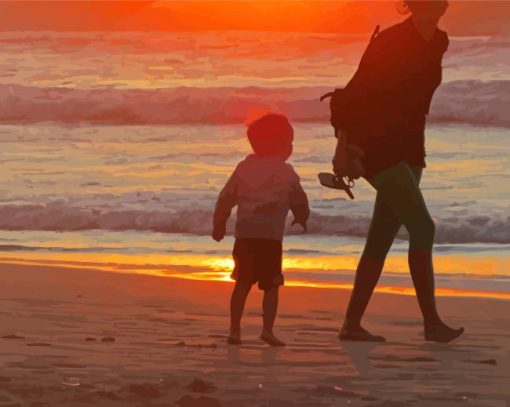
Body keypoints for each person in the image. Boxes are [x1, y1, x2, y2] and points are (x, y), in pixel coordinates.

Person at [335, 0, 464, 343]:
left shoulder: (440, 41)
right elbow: (351, 95)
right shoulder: (390, 41)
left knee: (382, 236)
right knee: (423, 227)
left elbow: (416, 99)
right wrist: (343, 148)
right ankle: (432, 323)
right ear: (410, 5)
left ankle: (351, 324)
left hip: (410, 144)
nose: (430, 7)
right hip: (377, 145)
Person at [212, 113, 310, 347]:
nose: (291, 147)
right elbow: (299, 199)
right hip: (270, 239)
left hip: (245, 235)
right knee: (272, 284)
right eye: (289, 143)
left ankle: (234, 331)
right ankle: (267, 330)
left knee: (242, 283)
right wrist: (302, 217)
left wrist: (219, 223)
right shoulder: (286, 171)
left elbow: (225, 198)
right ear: (281, 146)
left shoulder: (244, 168)